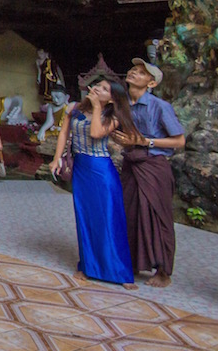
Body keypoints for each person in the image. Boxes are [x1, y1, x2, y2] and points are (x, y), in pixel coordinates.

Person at [48, 79, 138, 289]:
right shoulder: (74, 108)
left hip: (101, 171)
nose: (98, 89)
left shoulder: (113, 116)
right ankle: (87, 266)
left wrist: (98, 107)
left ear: (112, 99)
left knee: (109, 219)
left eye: (105, 89)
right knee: (85, 217)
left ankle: (120, 272)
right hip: (81, 169)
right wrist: (56, 158)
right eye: (98, 85)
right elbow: (63, 133)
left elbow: (96, 133)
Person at [112, 58, 185, 288]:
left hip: (154, 166)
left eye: (141, 73)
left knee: (157, 215)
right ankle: (132, 262)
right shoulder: (123, 105)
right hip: (132, 164)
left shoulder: (160, 106)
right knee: (130, 213)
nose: (133, 72)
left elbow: (180, 140)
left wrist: (146, 141)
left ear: (151, 83)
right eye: (132, 69)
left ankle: (163, 270)